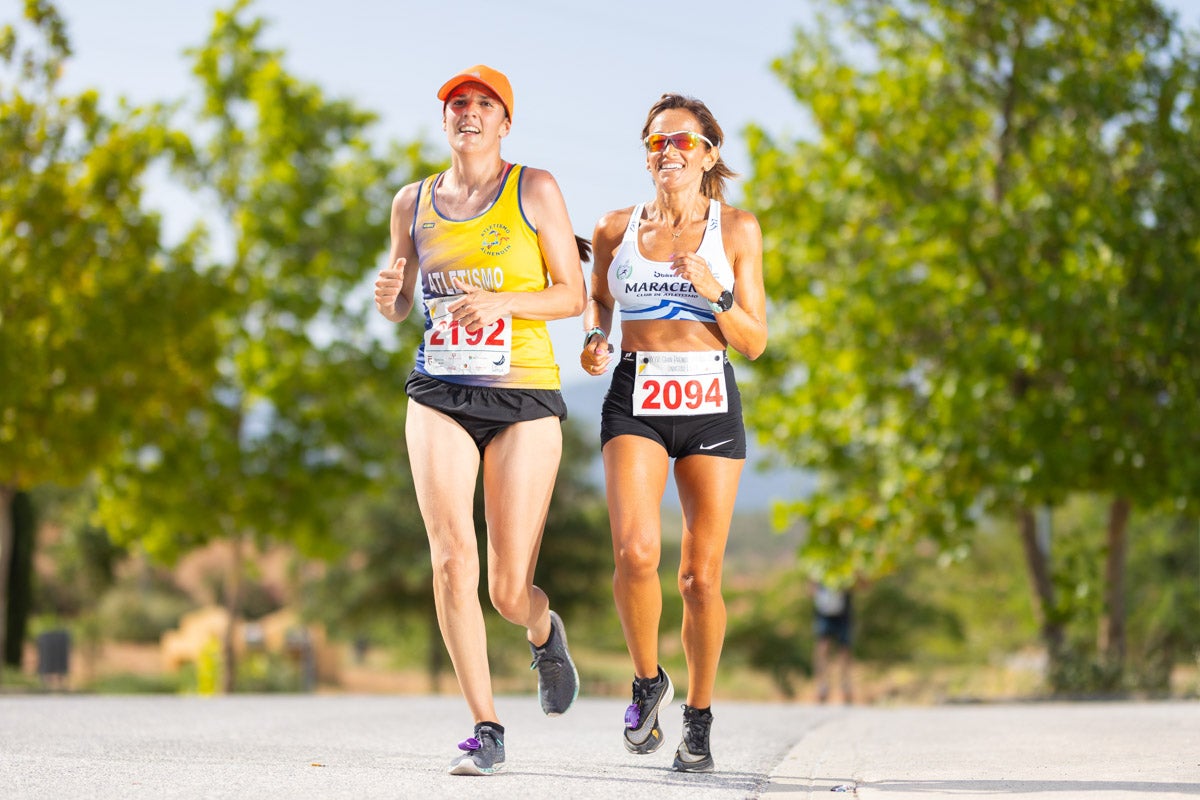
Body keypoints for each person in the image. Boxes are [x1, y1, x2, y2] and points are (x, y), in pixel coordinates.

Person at [374, 64, 587, 776]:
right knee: (450, 558)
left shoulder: (535, 188)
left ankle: (541, 629)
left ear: (504, 124)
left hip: (523, 397)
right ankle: (486, 726)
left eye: (483, 104)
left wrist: (506, 303)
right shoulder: (412, 201)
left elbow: (570, 296)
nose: (469, 113)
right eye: (457, 104)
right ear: (445, 122)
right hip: (439, 391)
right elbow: (405, 301)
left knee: (503, 588)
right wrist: (391, 295)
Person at [579, 93, 767, 773]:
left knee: (698, 578)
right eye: (656, 143)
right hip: (637, 392)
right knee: (634, 553)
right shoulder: (613, 228)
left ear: (708, 153)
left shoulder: (738, 229)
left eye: (681, 142)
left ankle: (699, 716)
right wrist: (596, 337)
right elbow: (599, 295)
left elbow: (755, 342)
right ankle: (647, 679)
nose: (667, 153)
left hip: (711, 396)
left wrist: (716, 291)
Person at [812, 581, 854, 704]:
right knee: (822, 648)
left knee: (844, 650)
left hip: (844, 613)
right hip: (823, 612)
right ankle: (822, 686)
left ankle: (846, 686)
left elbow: (863, 585)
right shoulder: (819, 568)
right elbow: (811, 589)